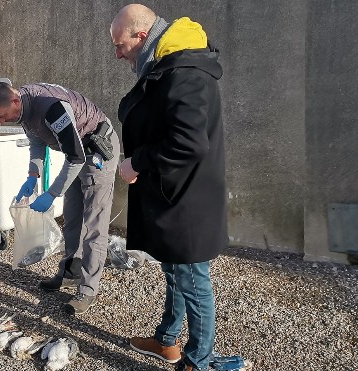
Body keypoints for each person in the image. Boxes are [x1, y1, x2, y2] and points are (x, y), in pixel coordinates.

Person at [110, 4, 227, 371]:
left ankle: (198, 362)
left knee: (192, 280)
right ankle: (166, 341)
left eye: (121, 44)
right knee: (176, 273)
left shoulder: (184, 72)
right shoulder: (169, 65)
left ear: (141, 36)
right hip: (174, 195)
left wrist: (136, 162)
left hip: (185, 202)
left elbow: (189, 143)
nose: (118, 53)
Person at [0, 82, 120, 315]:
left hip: (97, 150)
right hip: (76, 152)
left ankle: (88, 289)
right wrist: (32, 175)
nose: (2, 122)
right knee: (73, 216)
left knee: (94, 223)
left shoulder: (51, 107)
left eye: (3, 116)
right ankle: (70, 273)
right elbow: (37, 141)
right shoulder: (22, 109)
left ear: (14, 101)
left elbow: (76, 158)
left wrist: (52, 193)